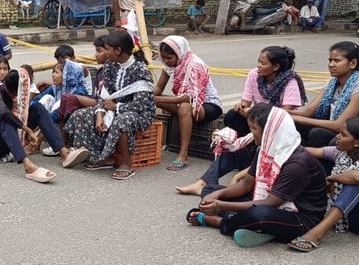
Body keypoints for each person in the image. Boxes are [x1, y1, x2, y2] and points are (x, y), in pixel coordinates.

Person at [187, 104, 326, 248]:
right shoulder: (266, 148)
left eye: (254, 129)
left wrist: (221, 206)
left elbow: (271, 203)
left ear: (270, 131)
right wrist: (218, 195)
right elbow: (247, 184)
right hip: (267, 201)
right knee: (209, 190)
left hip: (300, 217)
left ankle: (220, 222)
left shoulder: (297, 164)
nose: (251, 133)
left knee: (259, 214)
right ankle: (252, 226)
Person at [176, 45, 306, 196]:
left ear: (276, 66)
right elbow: (246, 103)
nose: (259, 66)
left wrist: (254, 113)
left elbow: (282, 115)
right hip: (259, 122)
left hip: (277, 127)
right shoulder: (254, 75)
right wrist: (241, 108)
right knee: (233, 116)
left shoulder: (290, 81)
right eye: (258, 61)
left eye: (263, 63)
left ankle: (209, 181)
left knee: (235, 148)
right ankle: (205, 181)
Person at [65, 31, 155, 180]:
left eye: (107, 49)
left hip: (139, 113)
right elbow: (104, 94)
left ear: (118, 51)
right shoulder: (110, 65)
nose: (105, 52)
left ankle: (126, 163)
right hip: (111, 106)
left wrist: (116, 108)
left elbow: (141, 104)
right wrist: (100, 112)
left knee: (122, 120)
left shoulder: (140, 69)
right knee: (80, 115)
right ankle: (103, 158)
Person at [0, 68, 89, 183]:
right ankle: (28, 166)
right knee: (3, 118)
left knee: (37, 108)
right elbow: (3, 113)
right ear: (19, 89)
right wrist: (27, 130)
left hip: (4, 143)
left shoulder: (15, 96)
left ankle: (64, 152)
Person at [289, 118, 359, 251]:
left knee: (354, 184)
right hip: (343, 212)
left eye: (343, 135)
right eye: (339, 132)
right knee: (309, 163)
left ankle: (317, 233)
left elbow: (356, 177)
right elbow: (306, 151)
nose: (337, 137)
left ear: (357, 142)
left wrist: (333, 178)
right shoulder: (340, 153)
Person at [154, 36, 222, 171]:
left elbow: (188, 98)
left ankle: (183, 155)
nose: (166, 61)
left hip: (207, 105)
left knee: (184, 106)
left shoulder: (195, 65)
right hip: (186, 101)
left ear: (179, 54)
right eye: (164, 58)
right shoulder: (169, 66)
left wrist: (158, 100)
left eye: (169, 58)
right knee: (146, 98)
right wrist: (145, 94)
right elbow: (158, 90)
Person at [289, 41, 359, 147]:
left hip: (348, 133)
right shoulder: (332, 83)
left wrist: (298, 119)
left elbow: (339, 125)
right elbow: (308, 111)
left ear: (352, 63)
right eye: (330, 60)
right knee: (291, 124)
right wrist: (279, 112)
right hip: (333, 126)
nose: (331, 64)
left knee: (317, 134)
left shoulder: (357, 86)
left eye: (337, 61)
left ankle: (316, 161)